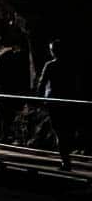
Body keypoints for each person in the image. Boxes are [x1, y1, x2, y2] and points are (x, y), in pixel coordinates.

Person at [37, 40, 80, 171]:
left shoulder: (50, 65)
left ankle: (65, 161)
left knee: (59, 131)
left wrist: (39, 97)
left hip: (54, 102)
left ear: (53, 51)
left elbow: (42, 83)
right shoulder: (71, 66)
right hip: (68, 101)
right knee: (67, 130)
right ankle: (67, 158)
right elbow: (76, 84)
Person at [0, 39, 29, 142]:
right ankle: (12, 135)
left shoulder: (2, 55)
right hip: (15, 88)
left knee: (5, 113)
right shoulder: (19, 55)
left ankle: (5, 135)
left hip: (5, 88)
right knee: (12, 113)